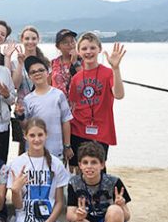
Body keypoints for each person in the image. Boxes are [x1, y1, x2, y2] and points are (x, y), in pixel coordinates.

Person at [7, 118, 69, 222]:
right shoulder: (17, 163)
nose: (36, 139)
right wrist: (15, 191)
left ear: (46, 135)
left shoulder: (56, 164)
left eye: (40, 135)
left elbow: (60, 202)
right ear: (25, 136)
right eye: (32, 135)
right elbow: (19, 206)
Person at [68, 32, 126, 173]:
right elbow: (73, 106)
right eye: (84, 48)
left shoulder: (108, 73)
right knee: (79, 170)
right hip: (78, 129)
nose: (88, 52)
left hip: (101, 130)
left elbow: (119, 95)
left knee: (97, 170)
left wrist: (116, 69)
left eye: (92, 48)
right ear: (78, 51)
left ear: (99, 49)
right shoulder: (76, 78)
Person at [15, 56, 74, 164]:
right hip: (34, 151)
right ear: (29, 77)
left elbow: (66, 121)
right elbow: (25, 126)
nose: (37, 73)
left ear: (48, 72)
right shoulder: (27, 99)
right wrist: (20, 116)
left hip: (56, 150)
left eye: (41, 70)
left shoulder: (58, 95)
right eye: (33, 72)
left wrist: (67, 145)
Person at [51, 29, 82, 100]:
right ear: (58, 46)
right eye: (65, 43)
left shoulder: (82, 61)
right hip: (58, 105)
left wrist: (75, 62)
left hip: (78, 105)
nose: (70, 45)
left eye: (72, 41)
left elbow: (86, 79)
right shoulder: (53, 63)